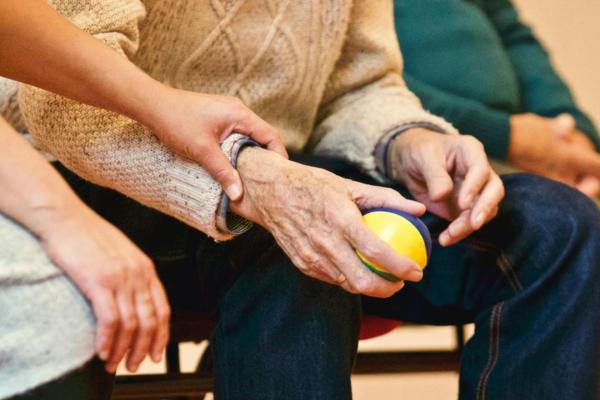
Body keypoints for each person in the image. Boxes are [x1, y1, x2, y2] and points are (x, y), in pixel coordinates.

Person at [13, 1, 600, 400]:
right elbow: (54, 96)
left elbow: (360, 85)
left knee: (559, 228)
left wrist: (409, 142)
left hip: (297, 173)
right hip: (111, 176)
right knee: (304, 242)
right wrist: (259, 181)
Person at [0, 0, 285, 398]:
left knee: (293, 244)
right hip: (63, 163)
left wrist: (161, 104)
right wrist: (64, 220)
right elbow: (43, 100)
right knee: (61, 317)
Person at [393, 0, 600, 197]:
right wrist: (507, 136)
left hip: (533, 147)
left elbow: (514, 37)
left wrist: (572, 131)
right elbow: (373, 84)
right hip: (429, 156)